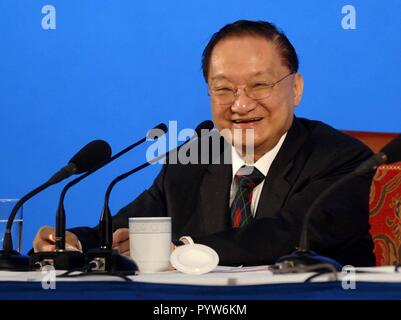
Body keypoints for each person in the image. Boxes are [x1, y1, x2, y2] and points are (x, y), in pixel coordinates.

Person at [33, 20, 375, 266]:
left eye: (259, 86)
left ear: (295, 88)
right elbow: (128, 228)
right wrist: (77, 242)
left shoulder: (342, 159)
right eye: (224, 89)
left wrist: (183, 250)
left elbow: (289, 235)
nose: (240, 105)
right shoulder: (193, 157)